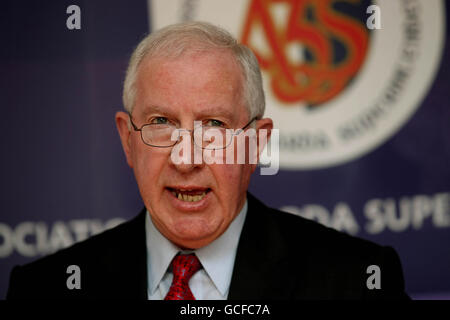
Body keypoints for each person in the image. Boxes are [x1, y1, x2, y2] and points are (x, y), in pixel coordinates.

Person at [7, 21, 409, 300]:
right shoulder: (45, 289)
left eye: (213, 125)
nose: (186, 158)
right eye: (161, 122)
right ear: (128, 142)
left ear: (255, 144)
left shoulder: (356, 283)